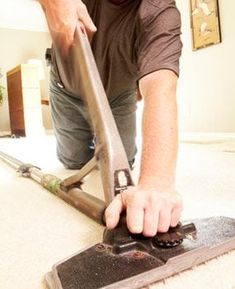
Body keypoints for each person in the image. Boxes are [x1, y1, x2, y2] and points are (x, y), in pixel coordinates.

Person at [38, 0, 183, 237]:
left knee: (123, 160)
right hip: (67, 89)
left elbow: (161, 88)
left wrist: (156, 182)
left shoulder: (160, 11)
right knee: (73, 160)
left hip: (119, 95)